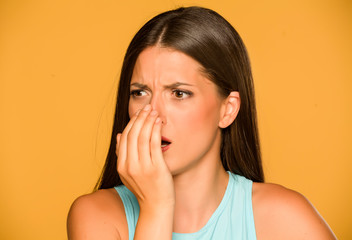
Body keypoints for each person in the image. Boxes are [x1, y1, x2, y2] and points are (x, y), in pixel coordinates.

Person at [67, 6, 336, 240]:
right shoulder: (96, 215)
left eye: (179, 93)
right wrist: (156, 208)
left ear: (227, 110)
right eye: (140, 92)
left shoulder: (285, 218)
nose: (153, 113)